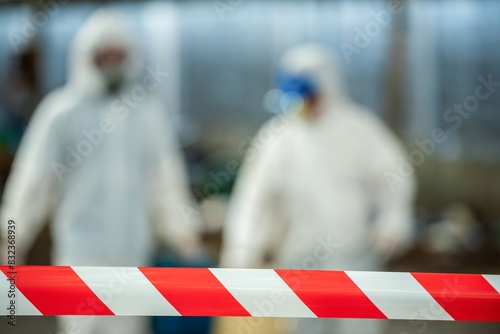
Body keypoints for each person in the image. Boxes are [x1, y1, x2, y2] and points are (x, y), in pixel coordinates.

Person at [0, 9, 199, 334]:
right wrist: (11, 240)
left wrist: (184, 235)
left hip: (133, 260)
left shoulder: (146, 113)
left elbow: (164, 182)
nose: (112, 62)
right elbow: (32, 183)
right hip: (80, 259)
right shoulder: (60, 112)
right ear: (85, 56)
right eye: (103, 54)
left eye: (118, 54)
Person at [220, 44, 416, 334]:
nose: (303, 105)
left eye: (308, 96)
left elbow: (396, 177)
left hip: (355, 262)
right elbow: (253, 198)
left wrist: (393, 221)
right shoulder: (278, 137)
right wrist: (242, 248)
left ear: (329, 88)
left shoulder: (359, 129)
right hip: (300, 266)